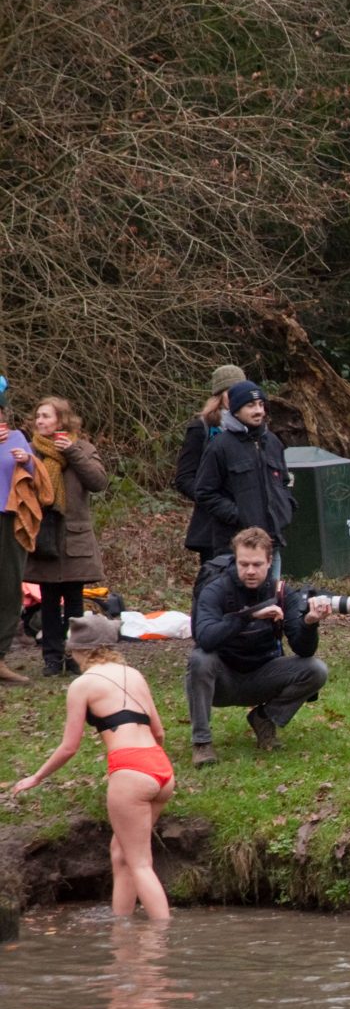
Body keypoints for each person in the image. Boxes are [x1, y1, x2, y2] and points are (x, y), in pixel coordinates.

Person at [10, 614, 175, 919]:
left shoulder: (83, 684)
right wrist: (149, 765)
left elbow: (69, 747)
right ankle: (121, 927)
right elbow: (160, 732)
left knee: (140, 863)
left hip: (130, 771)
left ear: (80, 650)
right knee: (121, 854)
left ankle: (160, 939)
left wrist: (36, 777)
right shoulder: (134, 674)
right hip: (161, 768)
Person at [184, 526, 329, 765]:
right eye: (244, 564)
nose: (250, 571)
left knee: (316, 669)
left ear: (270, 562)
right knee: (200, 659)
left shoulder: (281, 592)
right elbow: (205, 637)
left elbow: (304, 650)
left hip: (262, 676)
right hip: (221, 681)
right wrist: (249, 616)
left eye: (257, 564)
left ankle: (264, 718)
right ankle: (202, 744)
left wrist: (309, 623)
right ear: (235, 560)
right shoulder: (215, 590)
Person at [24, 397, 109, 676]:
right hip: (44, 536)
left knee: (74, 601)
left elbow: (98, 482)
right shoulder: (29, 452)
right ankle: (51, 658)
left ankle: (76, 655)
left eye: (46, 416)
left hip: (75, 539)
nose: (40, 421)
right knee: (48, 602)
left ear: (61, 420)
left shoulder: (83, 449)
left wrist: (73, 453)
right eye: (38, 416)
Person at [185, 378, 295, 591]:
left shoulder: (272, 442)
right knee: (237, 606)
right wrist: (239, 515)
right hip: (233, 546)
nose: (258, 411)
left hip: (271, 542)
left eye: (261, 405)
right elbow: (205, 492)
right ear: (235, 410)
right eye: (251, 405)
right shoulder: (220, 446)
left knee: (270, 601)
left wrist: (286, 509)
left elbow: (282, 482)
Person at [174, 362, 247, 509]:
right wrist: (214, 503)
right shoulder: (202, 428)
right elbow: (184, 478)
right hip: (215, 518)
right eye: (230, 391)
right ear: (220, 395)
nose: (236, 397)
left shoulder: (253, 428)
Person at [0, 381, 28, 686]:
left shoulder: (18, 438)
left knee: (9, 586)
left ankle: (0, 657)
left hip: (10, 519)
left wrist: (27, 460)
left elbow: (37, 481)